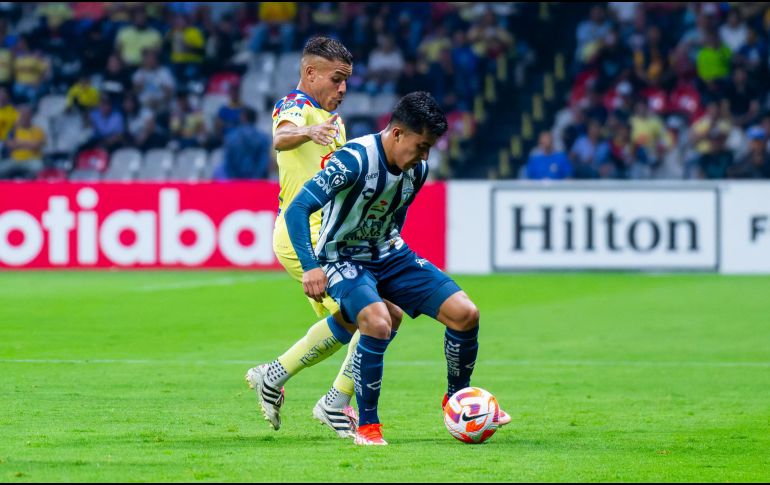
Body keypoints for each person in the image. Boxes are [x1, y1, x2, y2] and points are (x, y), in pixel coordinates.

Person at [284, 92, 510, 446]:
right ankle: (368, 428)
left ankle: (457, 400)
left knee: (466, 314)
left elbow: (393, 217)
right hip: (340, 257)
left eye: (430, 149)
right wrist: (311, 267)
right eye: (421, 146)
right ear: (398, 134)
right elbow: (297, 210)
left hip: (389, 254)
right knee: (377, 321)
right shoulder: (353, 160)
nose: (424, 156)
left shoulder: (417, 170)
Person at [244, 36, 404, 439]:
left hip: (331, 236)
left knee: (370, 317)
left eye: (346, 81)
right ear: (310, 74)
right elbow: (280, 137)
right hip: (303, 234)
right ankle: (335, 403)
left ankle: (274, 376)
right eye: (336, 80)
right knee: (375, 316)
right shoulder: (295, 108)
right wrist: (307, 132)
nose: (343, 89)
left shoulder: (334, 122)